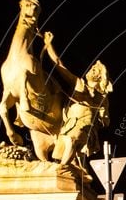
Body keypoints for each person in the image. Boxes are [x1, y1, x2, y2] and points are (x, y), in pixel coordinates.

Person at [43, 31, 112, 166]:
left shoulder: (101, 97)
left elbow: (106, 120)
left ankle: (60, 169)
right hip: (69, 123)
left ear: (98, 77)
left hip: (85, 124)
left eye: (94, 70)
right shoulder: (79, 84)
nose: (90, 70)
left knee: (72, 140)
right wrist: (48, 45)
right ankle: (74, 171)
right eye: (92, 68)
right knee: (72, 156)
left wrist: (102, 117)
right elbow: (59, 64)